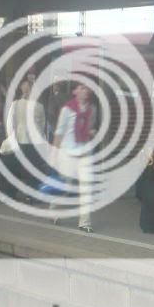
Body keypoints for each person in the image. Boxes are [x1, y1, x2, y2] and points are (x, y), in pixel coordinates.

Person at [51, 83, 97, 232]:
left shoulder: (92, 109)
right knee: (66, 185)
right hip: (68, 152)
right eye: (82, 87)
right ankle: (54, 206)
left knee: (86, 188)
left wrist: (91, 132)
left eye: (87, 88)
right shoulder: (67, 109)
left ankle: (85, 222)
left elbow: (89, 127)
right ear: (75, 91)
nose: (85, 90)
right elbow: (59, 132)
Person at [5, 77, 48, 189]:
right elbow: (43, 125)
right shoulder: (39, 106)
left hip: (20, 138)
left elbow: (11, 122)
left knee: (18, 165)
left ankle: (15, 190)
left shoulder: (16, 104)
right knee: (34, 166)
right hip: (36, 140)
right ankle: (33, 191)